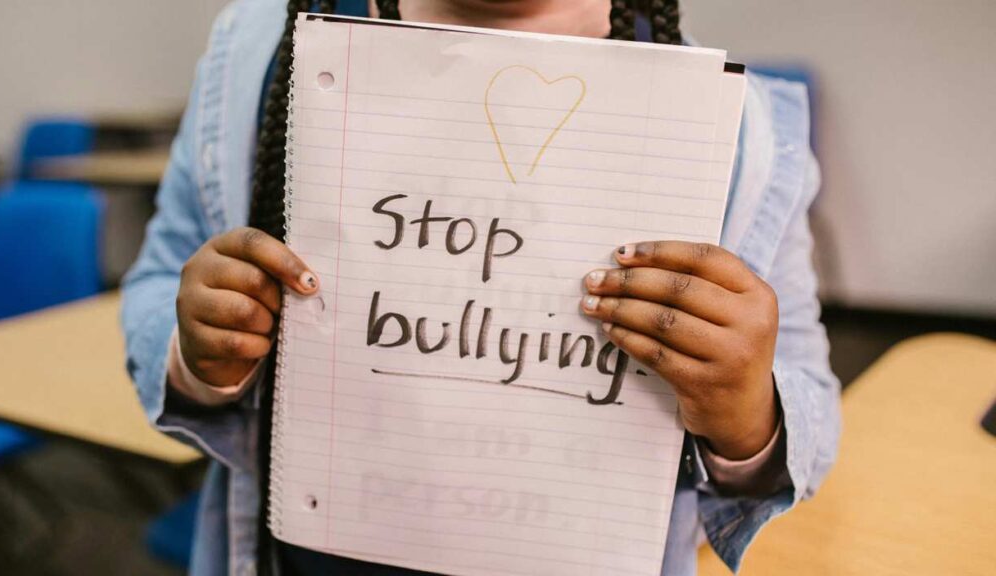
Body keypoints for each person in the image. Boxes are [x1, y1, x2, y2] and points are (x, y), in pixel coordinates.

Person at [121, 0, 841, 574]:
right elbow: (159, 280)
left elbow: (807, 398)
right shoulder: (259, 54)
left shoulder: (738, 128)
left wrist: (747, 413)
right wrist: (200, 354)